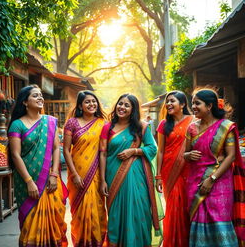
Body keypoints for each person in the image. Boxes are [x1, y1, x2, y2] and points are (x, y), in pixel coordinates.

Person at [8, 85, 68, 247]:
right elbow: (15, 155)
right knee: (30, 225)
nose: (40, 98)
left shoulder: (50, 122)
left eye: (41, 95)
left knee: (54, 220)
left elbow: (57, 148)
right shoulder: (17, 125)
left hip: (49, 179)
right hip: (26, 181)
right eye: (35, 96)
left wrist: (54, 174)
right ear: (25, 102)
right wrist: (29, 181)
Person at [99, 94, 163, 247]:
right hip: (112, 176)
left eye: (127, 105)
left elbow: (152, 148)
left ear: (133, 110)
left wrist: (133, 152)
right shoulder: (108, 127)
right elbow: (102, 153)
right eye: (120, 104)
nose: (122, 107)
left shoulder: (141, 127)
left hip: (137, 177)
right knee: (115, 216)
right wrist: (102, 180)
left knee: (138, 212)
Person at [184, 88, 245, 246]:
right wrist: (187, 155)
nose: (193, 107)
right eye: (192, 103)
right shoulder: (191, 128)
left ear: (209, 106)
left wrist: (212, 179)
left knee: (219, 218)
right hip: (195, 181)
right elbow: (185, 153)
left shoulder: (226, 127)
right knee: (198, 218)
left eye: (197, 103)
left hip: (220, 181)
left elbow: (230, 156)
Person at [63, 90, 107, 247]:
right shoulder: (72, 123)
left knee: (98, 209)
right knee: (80, 212)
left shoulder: (103, 122)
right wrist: (74, 174)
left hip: (97, 173)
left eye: (94, 101)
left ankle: (97, 243)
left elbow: (106, 150)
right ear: (80, 105)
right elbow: (66, 150)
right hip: (78, 173)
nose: (92, 104)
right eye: (87, 102)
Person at [155, 90, 193, 247]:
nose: (168, 104)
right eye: (167, 101)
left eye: (172, 101)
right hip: (169, 171)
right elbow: (161, 150)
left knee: (187, 207)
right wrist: (158, 175)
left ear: (183, 104)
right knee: (173, 208)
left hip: (188, 170)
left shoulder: (193, 121)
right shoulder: (164, 124)